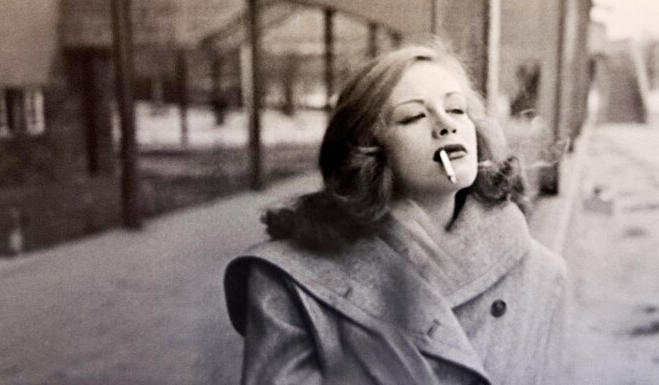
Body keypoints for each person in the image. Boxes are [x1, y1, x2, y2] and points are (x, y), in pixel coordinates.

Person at [224, 44, 567, 385]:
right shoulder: (288, 279)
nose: (446, 124)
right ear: (367, 150)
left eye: (457, 109)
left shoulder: (542, 275)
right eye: (414, 116)